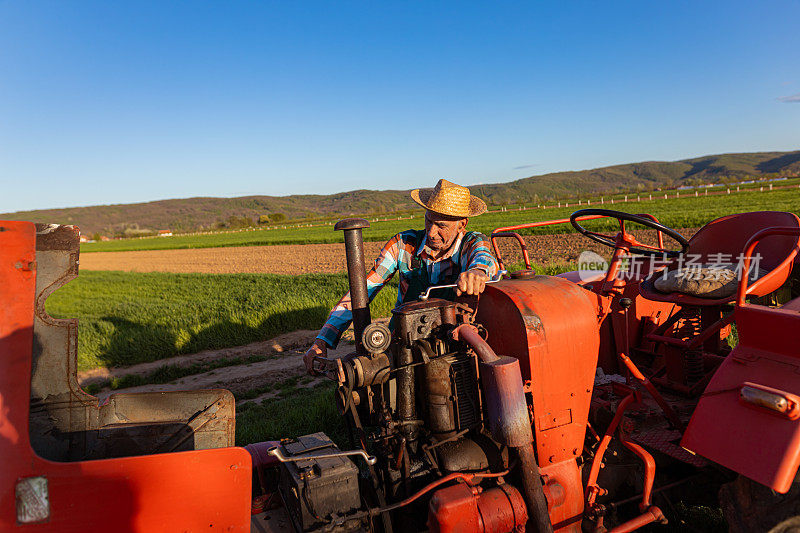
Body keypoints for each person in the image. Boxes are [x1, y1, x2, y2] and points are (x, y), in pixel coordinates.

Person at [303, 179, 500, 374]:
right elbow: (364, 290)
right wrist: (322, 340)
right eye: (428, 220)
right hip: (402, 341)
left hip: (453, 342)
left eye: (441, 225)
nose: (431, 232)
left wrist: (477, 273)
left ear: (462, 224)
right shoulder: (403, 244)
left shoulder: (471, 243)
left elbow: (484, 259)